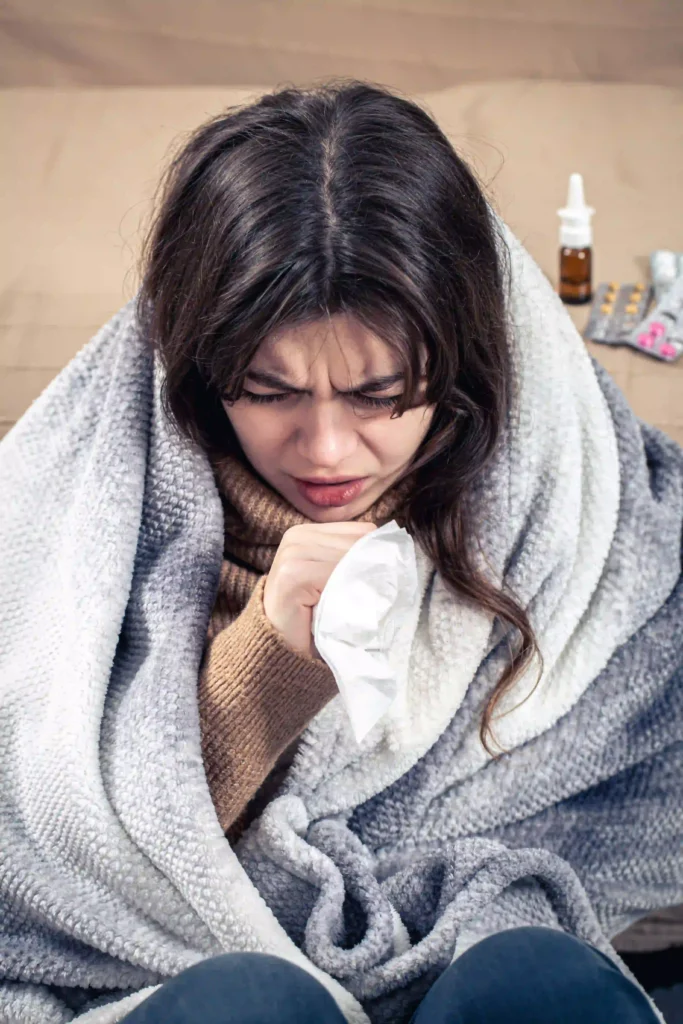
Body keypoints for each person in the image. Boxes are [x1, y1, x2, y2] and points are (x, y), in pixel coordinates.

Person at [2, 79, 678, 1024]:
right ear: (198, 363)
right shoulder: (90, 513)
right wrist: (262, 667)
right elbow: (55, 846)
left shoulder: (566, 504)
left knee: (540, 980)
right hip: (186, 980)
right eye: (266, 390)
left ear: (460, 364)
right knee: (248, 1005)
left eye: (378, 395)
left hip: (492, 968)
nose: (324, 453)